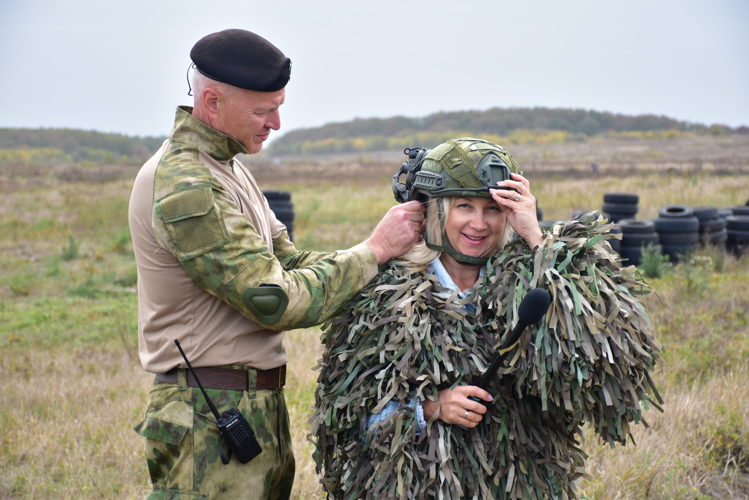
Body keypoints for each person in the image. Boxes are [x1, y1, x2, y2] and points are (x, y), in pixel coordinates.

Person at [128, 29, 423, 500]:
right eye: (264, 110)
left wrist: (398, 259)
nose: (277, 123)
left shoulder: (227, 167)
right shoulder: (188, 184)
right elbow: (274, 299)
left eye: (279, 106)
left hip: (247, 410)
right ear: (212, 101)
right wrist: (375, 251)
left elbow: (290, 261)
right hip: (211, 416)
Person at [312, 138, 664, 499]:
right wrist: (431, 408)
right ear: (436, 210)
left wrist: (537, 240)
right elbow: (348, 425)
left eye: (493, 208)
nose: (479, 224)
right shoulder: (384, 298)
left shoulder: (536, 283)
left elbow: (608, 370)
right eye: (464, 206)